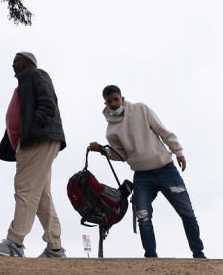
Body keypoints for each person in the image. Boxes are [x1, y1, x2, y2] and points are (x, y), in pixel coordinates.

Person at [87, 84, 205, 259]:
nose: (113, 103)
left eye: (115, 99)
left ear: (122, 98)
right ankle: (150, 257)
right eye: (109, 101)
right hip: (142, 176)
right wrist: (103, 151)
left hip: (166, 169)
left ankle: (198, 254)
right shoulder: (111, 131)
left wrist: (178, 152)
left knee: (187, 212)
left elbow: (163, 131)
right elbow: (122, 155)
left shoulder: (141, 109)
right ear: (105, 103)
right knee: (143, 216)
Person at [0, 52, 66, 259]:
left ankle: (15, 242)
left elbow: (48, 104)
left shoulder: (36, 75)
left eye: (17, 60)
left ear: (29, 62)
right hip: (35, 142)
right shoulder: (25, 83)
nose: (12, 63)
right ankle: (55, 247)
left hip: (36, 141)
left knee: (25, 190)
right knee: (41, 197)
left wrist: (31, 128)